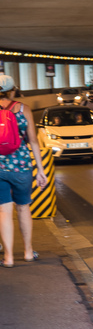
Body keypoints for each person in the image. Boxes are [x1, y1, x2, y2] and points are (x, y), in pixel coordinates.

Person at [0, 75, 47, 268]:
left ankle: (8, 257)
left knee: (3, 211)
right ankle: (28, 252)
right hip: (22, 167)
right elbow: (33, 141)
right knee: (23, 207)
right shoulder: (23, 109)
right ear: (13, 90)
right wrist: (41, 170)